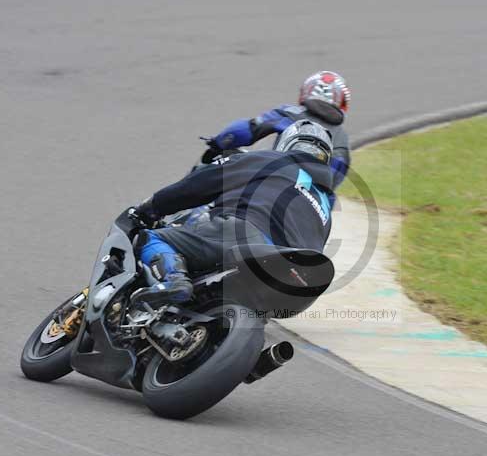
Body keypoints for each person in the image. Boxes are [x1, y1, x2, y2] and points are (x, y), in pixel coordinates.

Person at [132, 120, 334, 307]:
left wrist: (153, 207)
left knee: (151, 237)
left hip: (247, 238)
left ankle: (174, 280)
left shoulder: (272, 160)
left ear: (286, 144)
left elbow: (200, 183)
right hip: (297, 280)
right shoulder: (325, 208)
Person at [203, 71, 351, 189]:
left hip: (272, 181)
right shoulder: (342, 142)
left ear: (306, 92)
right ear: (342, 103)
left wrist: (218, 143)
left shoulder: (289, 113)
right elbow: (332, 185)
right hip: (307, 208)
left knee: (215, 184)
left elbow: (243, 131)